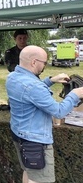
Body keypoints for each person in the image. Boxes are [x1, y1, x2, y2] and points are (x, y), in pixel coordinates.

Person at [6, 45, 83, 183]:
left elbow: (30, 93)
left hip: (19, 134)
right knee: (40, 179)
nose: (45, 66)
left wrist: (50, 80)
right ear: (34, 62)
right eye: (44, 63)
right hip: (35, 141)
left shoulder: (13, 77)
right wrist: (74, 95)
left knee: (28, 171)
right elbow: (59, 112)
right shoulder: (34, 87)